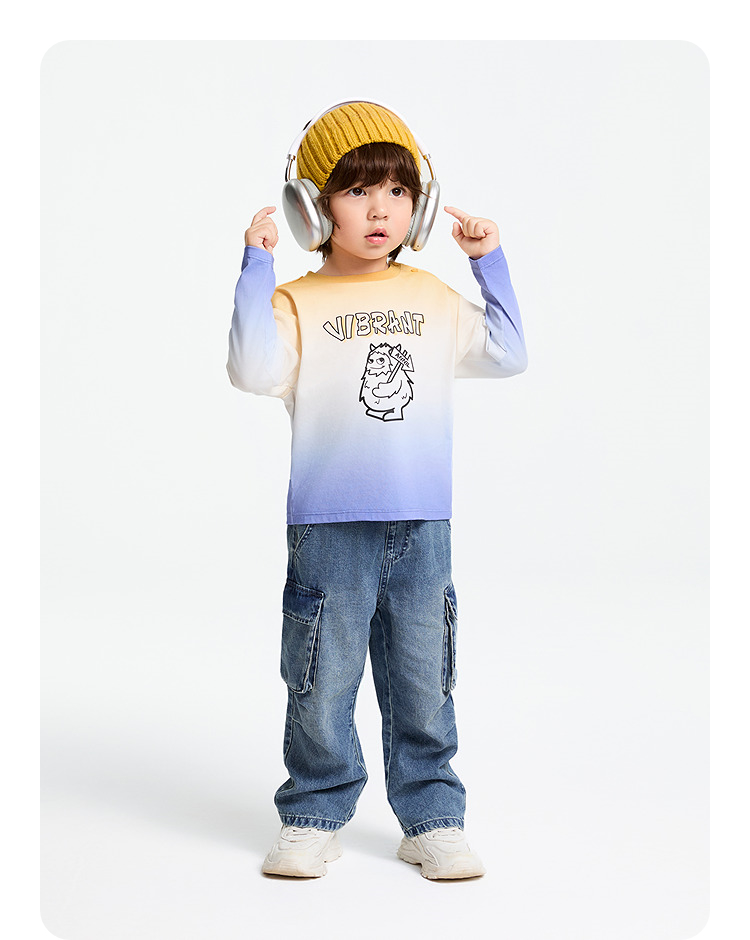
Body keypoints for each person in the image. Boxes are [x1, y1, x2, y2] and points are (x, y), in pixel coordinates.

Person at [227, 101, 527, 880]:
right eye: (357, 191)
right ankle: (313, 814)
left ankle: (432, 818)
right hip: (329, 526)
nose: (380, 209)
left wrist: (488, 262)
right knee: (321, 678)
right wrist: (256, 268)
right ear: (312, 207)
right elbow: (252, 370)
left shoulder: (432, 297)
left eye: (397, 191)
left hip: (422, 524)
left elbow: (508, 353)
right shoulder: (296, 302)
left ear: (418, 207)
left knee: (426, 678)